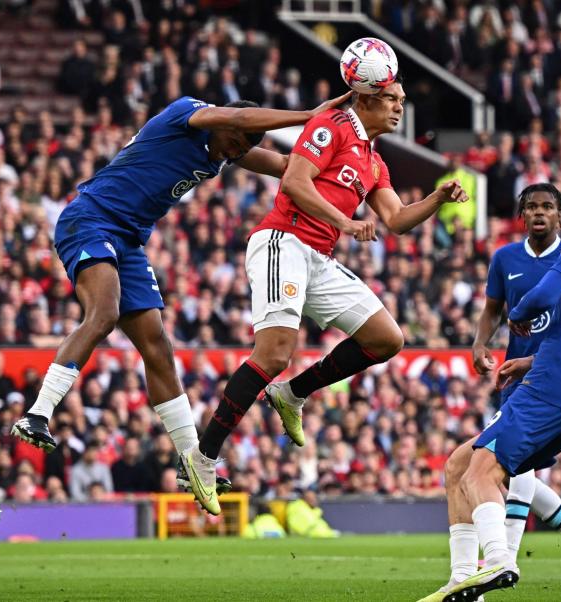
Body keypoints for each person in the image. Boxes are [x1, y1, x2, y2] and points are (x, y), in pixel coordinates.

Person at [11, 91, 353, 516]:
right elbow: (240, 115)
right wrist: (308, 115)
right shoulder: (186, 115)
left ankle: (193, 461)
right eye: (239, 141)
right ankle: (37, 414)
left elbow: (288, 167)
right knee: (104, 312)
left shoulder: (225, 149)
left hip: (130, 240)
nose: (239, 151)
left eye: (246, 147)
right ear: (228, 123)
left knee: (157, 344)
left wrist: (347, 164)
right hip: (91, 217)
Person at [191, 77, 468, 506]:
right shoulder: (333, 124)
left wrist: (437, 198)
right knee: (274, 353)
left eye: (401, 99)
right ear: (366, 98)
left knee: (386, 338)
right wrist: (346, 222)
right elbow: (296, 182)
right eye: (392, 99)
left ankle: (292, 392)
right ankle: (203, 456)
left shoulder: (374, 162)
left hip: (318, 255)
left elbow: (395, 218)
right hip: (284, 239)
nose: (399, 107)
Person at [432, 164, 561, 601]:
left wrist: (518, 314)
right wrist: (529, 361)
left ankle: (498, 561)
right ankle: (460, 578)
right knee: (459, 464)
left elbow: (544, 297)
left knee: (482, 470)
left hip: (551, 389)